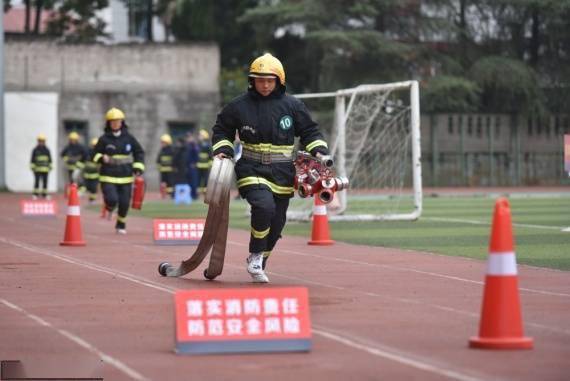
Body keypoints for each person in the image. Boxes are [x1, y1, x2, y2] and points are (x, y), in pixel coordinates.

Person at [212, 53, 329, 283]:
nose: (265, 85)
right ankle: (256, 253)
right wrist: (223, 148)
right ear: (252, 81)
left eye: (270, 80)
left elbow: (310, 132)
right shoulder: (238, 106)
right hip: (250, 167)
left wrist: (320, 151)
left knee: (276, 224)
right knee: (263, 207)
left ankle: (260, 259)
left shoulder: (293, 106)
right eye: (260, 80)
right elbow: (221, 130)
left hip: (283, 171)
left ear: (279, 80)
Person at [92, 107, 145, 234]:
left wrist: (138, 167)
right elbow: (93, 154)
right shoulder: (104, 139)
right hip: (108, 175)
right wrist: (101, 157)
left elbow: (139, 152)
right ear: (109, 123)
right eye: (113, 121)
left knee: (124, 202)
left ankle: (121, 224)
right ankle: (110, 207)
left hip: (125, 176)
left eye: (118, 121)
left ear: (122, 122)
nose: (115, 123)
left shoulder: (129, 138)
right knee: (111, 199)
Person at [30, 134, 52, 199]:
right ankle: (35, 194)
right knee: (36, 182)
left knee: (45, 182)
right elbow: (32, 159)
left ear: (44, 142)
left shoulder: (47, 150)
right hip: (37, 169)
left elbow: (50, 159)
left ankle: (45, 194)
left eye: (42, 141)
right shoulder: (35, 150)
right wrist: (33, 167)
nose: (41, 142)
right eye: (40, 141)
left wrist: (50, 167)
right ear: (38, 141)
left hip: (45, 169)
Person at [156, 134, 175, 198]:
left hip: (170, 170)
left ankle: (171, 194)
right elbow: (158, 160)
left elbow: (174, 160)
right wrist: (159, 167)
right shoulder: (161, 151)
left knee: (170, 183)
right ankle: (163, 195)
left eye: (163, 142)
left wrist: (173, 167)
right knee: (163, 183)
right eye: (162, 142)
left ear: (168, 143)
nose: (162, 144)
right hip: (163, 170)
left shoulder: (172, 150)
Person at [83, 138, 100, 203]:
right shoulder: (88, 151)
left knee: (93, 188)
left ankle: (92, 199)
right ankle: (91, 198)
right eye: (94, 145)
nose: (94, 147)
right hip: (87, 174)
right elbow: (84, 159)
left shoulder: (99, 153)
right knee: (88, 187)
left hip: (95, 174)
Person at [197, 129, 212, 196]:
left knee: (205, 179)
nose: (199, 137)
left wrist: (210, 163)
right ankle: (199, 192)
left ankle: (205, 192)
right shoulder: (198, 144)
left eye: (200, 135)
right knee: (199, 179)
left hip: (205, 165)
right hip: (199, 165)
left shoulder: (206, 145)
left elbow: (210, 155)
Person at [185, 133, 200, 200]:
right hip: (187, 166)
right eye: (187, 137)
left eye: (190, 137)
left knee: (194, 181)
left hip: (193, 166)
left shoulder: (194, 145)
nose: (188, 139)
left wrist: (194, 163)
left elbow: (196, 155)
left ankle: (194, 195)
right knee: (188, 181)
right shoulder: (186, 146)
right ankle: (189, 195)